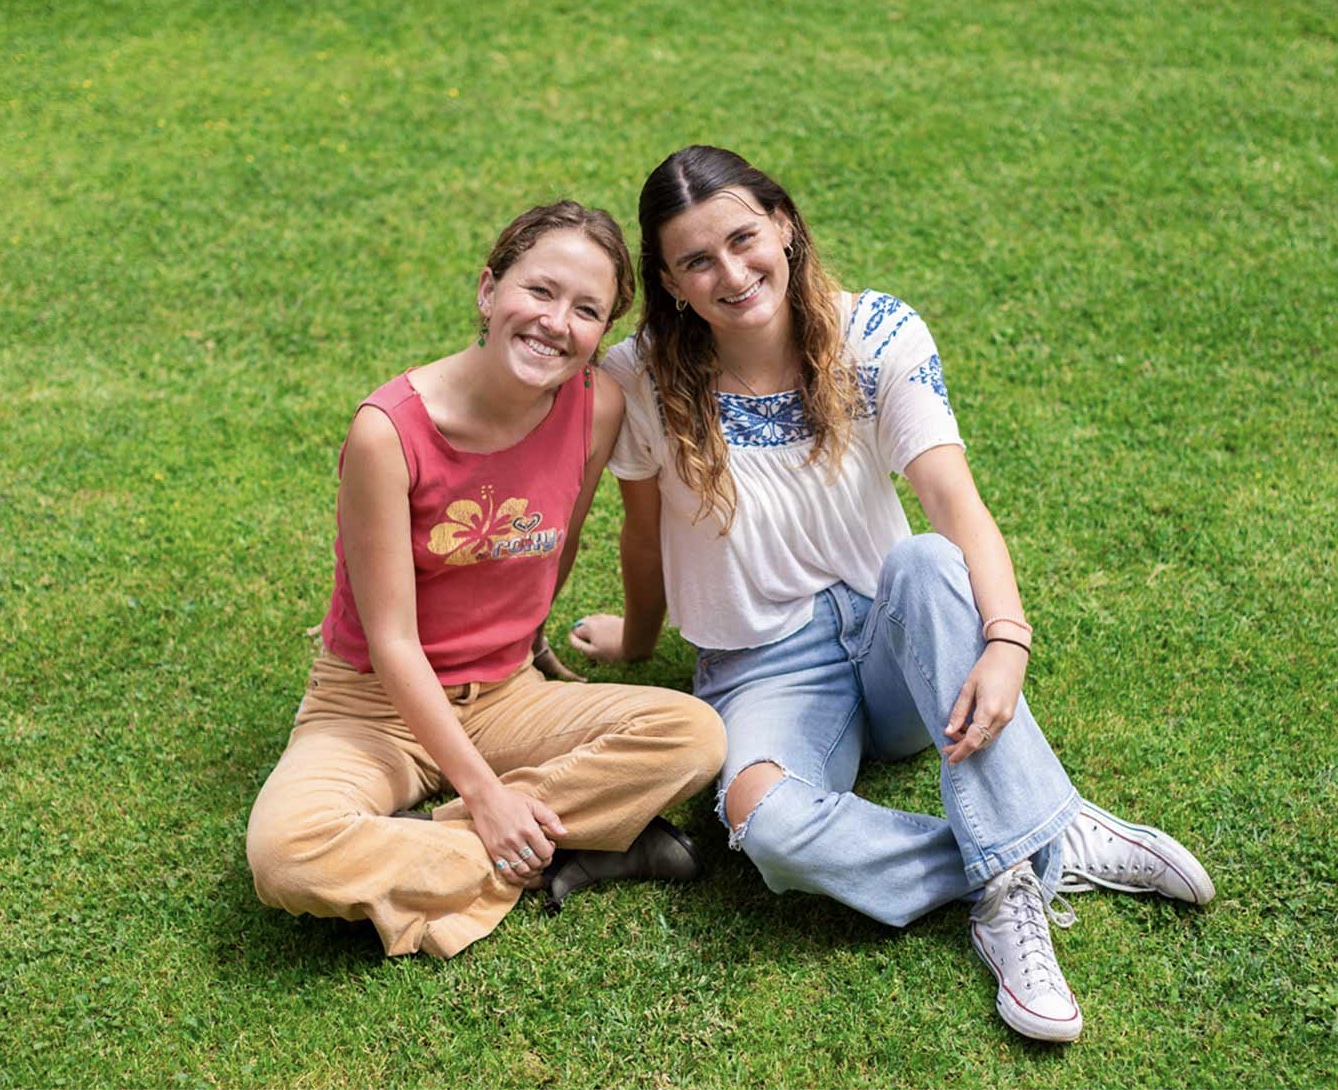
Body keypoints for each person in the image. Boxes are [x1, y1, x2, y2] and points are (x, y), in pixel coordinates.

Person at [570, 147, 1214, 1042]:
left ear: (785, 226)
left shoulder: (875, 333)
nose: (731, 273)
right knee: (765, 825)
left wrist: (1006, 641)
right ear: (671, 282)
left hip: (894, 640)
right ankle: (1037, 844)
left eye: (744, 239)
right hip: (762, 672)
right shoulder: (638, 377)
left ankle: (1005, 903)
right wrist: (641, 641)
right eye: (696, 261)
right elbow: (640, 533)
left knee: (925, 561)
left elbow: (953, 502)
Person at [247, 201, 726, 959]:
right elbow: (393, 641)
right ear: (487, 291)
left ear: (603, 332)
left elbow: (557, 544)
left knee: (693, 735)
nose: (555, 322)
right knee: (287, 853)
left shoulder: (595, 408)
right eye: (539, 291)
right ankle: (566, 849)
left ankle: (429, 851)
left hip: (505, 694)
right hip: (374, 704)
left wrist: (526, 640)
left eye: (586, 310)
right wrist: (483, 794)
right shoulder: (389, 431)